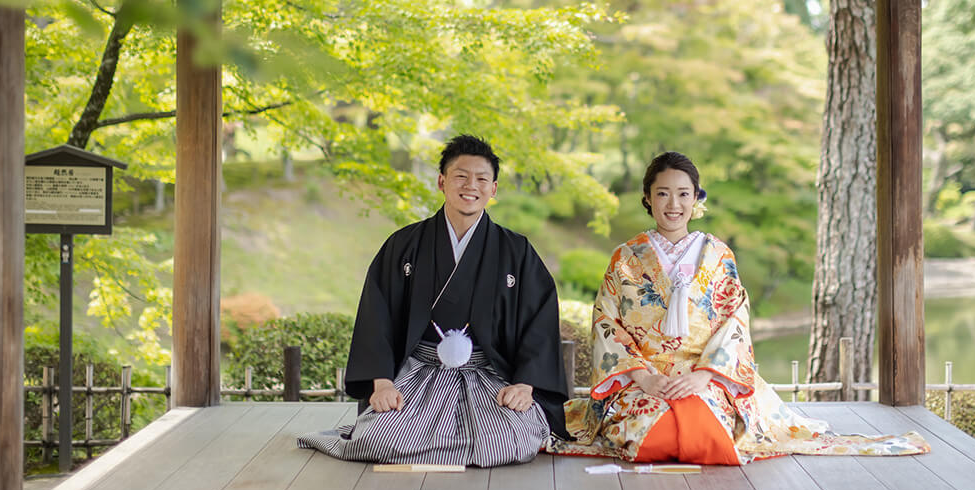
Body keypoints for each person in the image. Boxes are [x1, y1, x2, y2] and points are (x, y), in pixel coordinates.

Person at [550, 151, 928, 464]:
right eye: (663, 193)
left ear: (697, 199)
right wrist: (646, 378)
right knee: (645, 438)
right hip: (645, 377)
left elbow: (734, 320)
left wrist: (704, 376)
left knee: (710, 433)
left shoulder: (718, 255)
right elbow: (606, 321)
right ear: (648, 197)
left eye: (684, 194)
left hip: (705, 374)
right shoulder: (625, 258)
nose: (673, 204)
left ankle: (704, 401)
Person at [298, 135, 568, 466]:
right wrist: (382, 383)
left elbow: (538, 321)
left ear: (494, 189)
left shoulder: (516, 250)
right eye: (460, 176)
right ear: (442, 181)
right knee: (380, 441)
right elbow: (376, 316)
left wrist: (526, 384)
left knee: (511, 441)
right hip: (419, 371)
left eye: (482, 179)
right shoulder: (404, 245)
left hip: (488, 373)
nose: (471, 186)